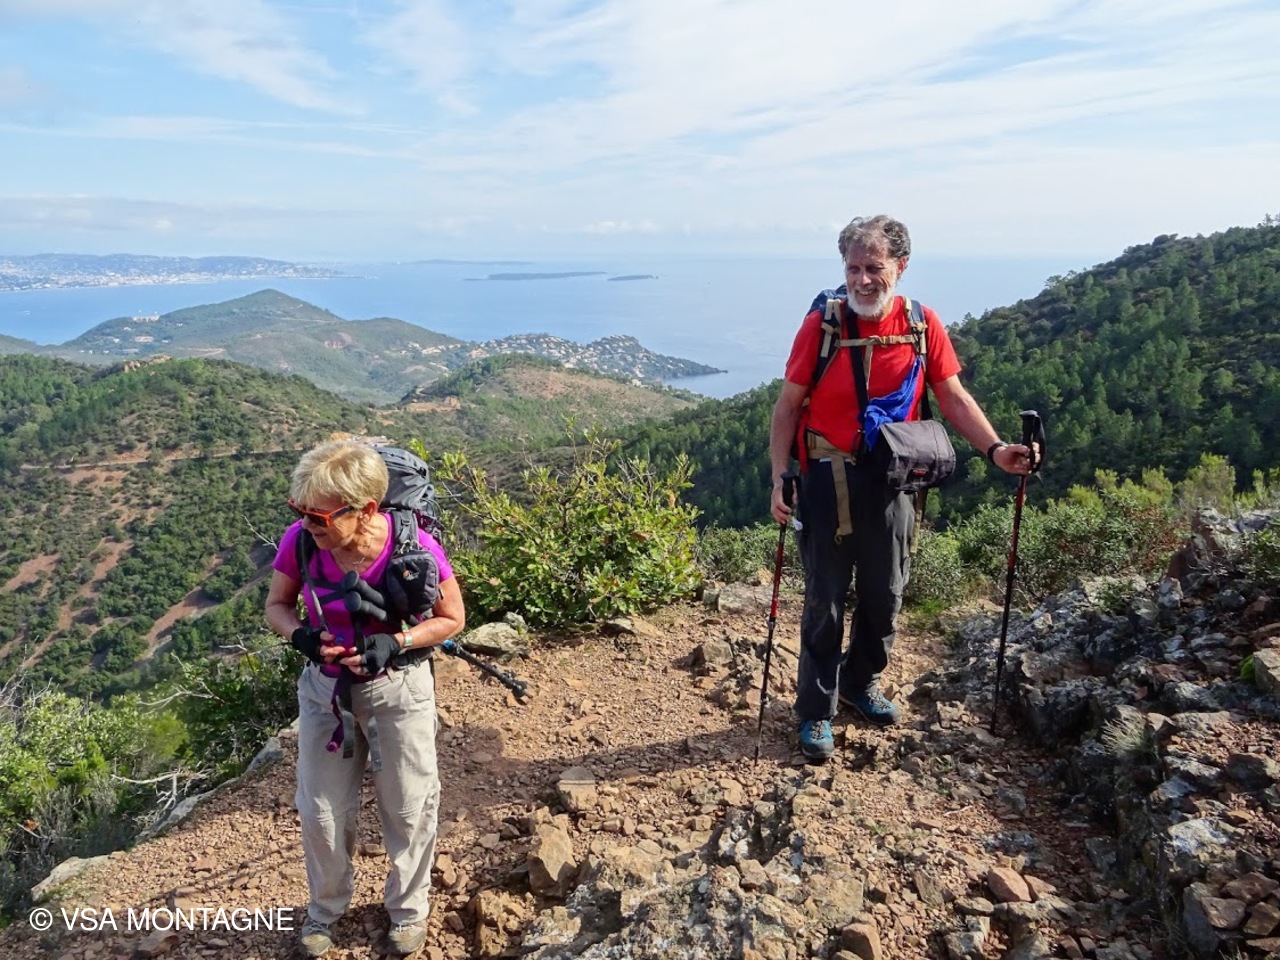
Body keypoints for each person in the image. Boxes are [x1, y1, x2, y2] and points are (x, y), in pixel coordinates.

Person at [768, 215, 1035, 763]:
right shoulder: (823, 326)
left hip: (893, 479)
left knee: (885, 593)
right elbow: (787, 406)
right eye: (853, 268)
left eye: (874, 267)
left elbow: (953, 396)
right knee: (824, 599)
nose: (862, 280)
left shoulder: (921, 324)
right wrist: (779, 478)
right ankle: (816, 709)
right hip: (826, 477)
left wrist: (995, 450)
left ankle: (859, 683)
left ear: (901, 266)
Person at [265, 439, 465, 957]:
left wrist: (397, 641)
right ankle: (325, 910)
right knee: (320, 811)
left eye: (318, 516)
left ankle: (409, 910)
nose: (306, 524)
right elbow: (277, 606)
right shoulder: (300, 542)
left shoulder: (414, 546)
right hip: (326, 692)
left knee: (409, 805)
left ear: (366, 510)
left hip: (398, 689)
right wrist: (301, 637)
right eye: (299, 511)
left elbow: (452, 618)